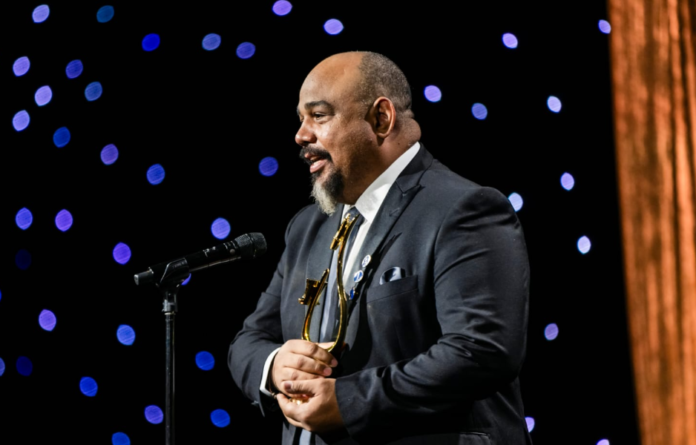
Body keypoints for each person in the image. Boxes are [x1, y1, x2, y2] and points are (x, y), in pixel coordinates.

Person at [229, 51, 532, 445]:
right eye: (301, 119)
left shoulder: (464, 209)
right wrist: (274, 368)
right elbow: (250, 339)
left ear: (381, 119)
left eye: (319, 116)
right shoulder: (307, 226)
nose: (301, 136)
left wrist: (348, 401)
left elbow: (481, 351)